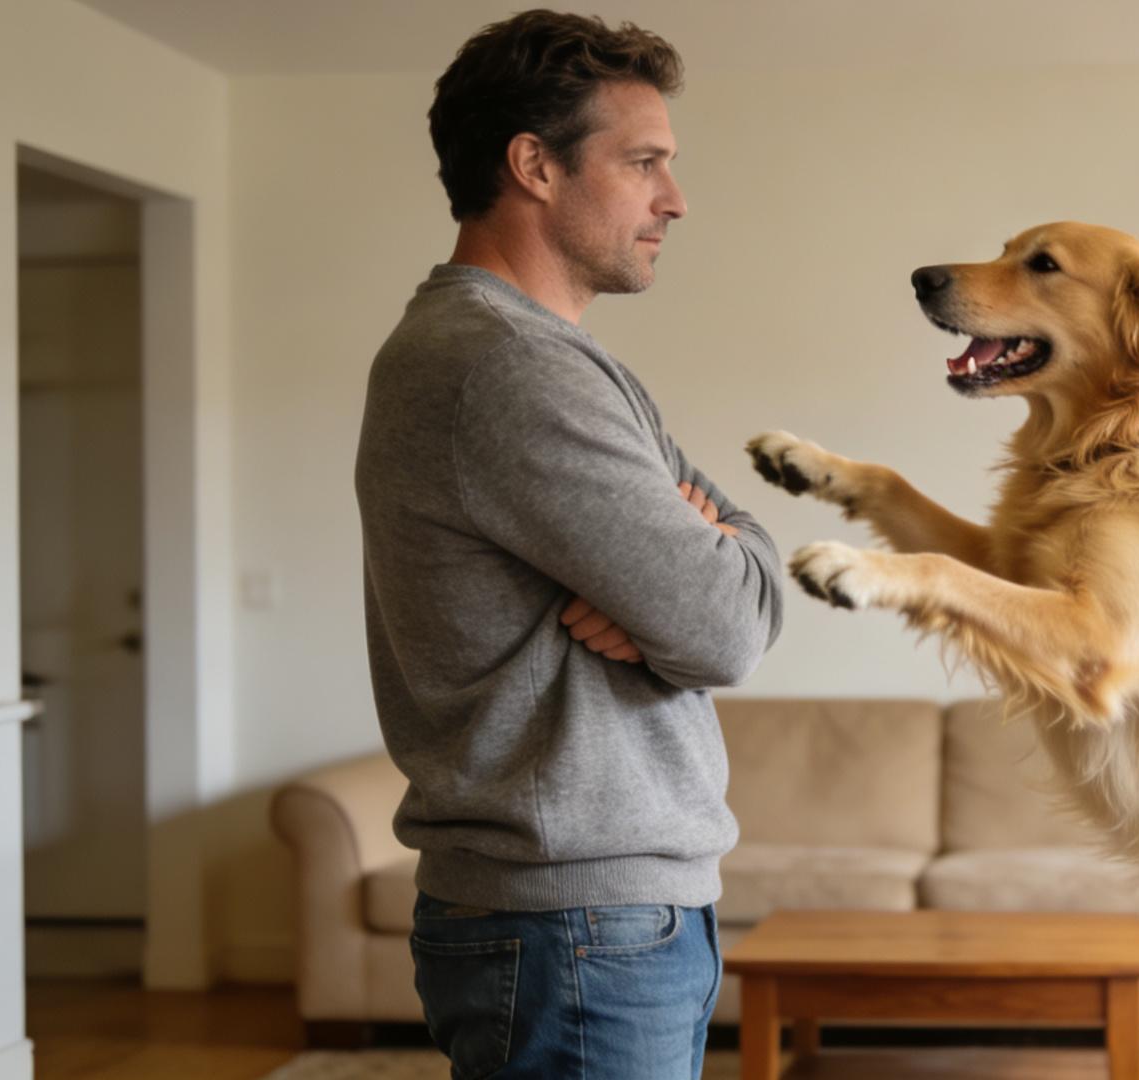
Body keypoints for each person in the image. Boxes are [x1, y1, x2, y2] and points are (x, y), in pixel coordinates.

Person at [353, 11, 784, 1078]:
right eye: (643, 163)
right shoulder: (506, 370)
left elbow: (748, 562)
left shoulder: (550, 358)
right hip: (576, 926)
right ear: (533, 166)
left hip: (593, 922)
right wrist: (692, 572)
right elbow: (726, 627)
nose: (673, 200)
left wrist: (709, 553)